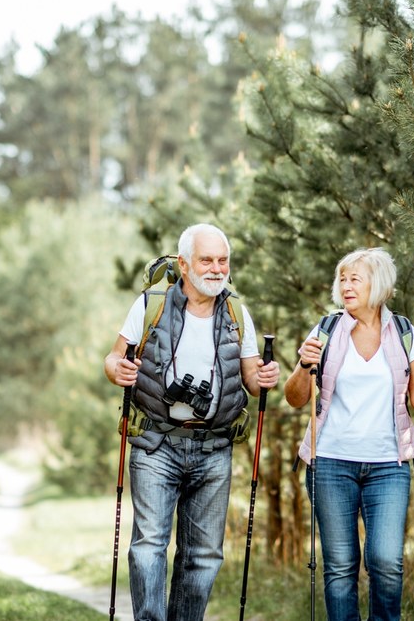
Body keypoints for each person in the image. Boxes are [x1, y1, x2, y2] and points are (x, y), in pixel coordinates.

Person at [104, 223, 280, 621]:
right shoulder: (152, 304)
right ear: (184, 264)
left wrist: (264, 377)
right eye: (207, 260)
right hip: (155, 443)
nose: (217, 268)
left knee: (203, 555)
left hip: (214, 447)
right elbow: (112, 358)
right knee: (149, 544)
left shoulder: (237, 311)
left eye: (223, 260)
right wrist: (119, 371)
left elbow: (251, 377)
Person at [284, 247, 414, 621]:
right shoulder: (326, 330)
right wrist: (303, 364)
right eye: (341, 279)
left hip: (388, 465)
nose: (345, 285)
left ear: (378, 284)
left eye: (354, 278)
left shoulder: (404, 331)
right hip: (330, 463)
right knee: (341, 566)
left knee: (386, 561)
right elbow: (295, 398)